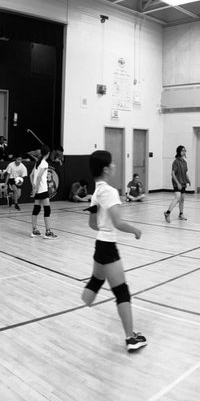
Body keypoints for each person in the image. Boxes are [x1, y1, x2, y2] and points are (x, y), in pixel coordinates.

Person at [80, 150, 148, 352]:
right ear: (105, 169)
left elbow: (93, 224)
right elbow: (118, 223)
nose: (115, 166)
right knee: (122, 292)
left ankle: (78, 306)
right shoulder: (109, 191)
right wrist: (135, 230)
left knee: (96, 281)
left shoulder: (96, 192)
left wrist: (104, 226)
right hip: (108, 247)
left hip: (99, 244)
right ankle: (130, 338)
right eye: (112, 163)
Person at [30, 146, 58, 239]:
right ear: (48, 153)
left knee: (36, 210)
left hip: (37, 189)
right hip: (42, 189)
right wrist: (35, 190)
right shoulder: (44, 163)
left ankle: (34, 231)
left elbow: (31, 175)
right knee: (47, 210)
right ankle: (48, 232)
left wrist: (33, 187)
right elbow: (38, 177)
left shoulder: (37, 162)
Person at [165, 145, 190, 222]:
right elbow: (172, 174)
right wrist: (178, 183)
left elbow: (185, 173)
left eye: (185, 150)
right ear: (179, 152)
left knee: (182, 199)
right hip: (177, 183)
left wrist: (188, 180)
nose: (184, 152)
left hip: (183, 182)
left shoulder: (185, 162)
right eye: (182, 150)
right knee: (177, 198)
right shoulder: (176, 162)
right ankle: (167, 213)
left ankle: (181, 214)